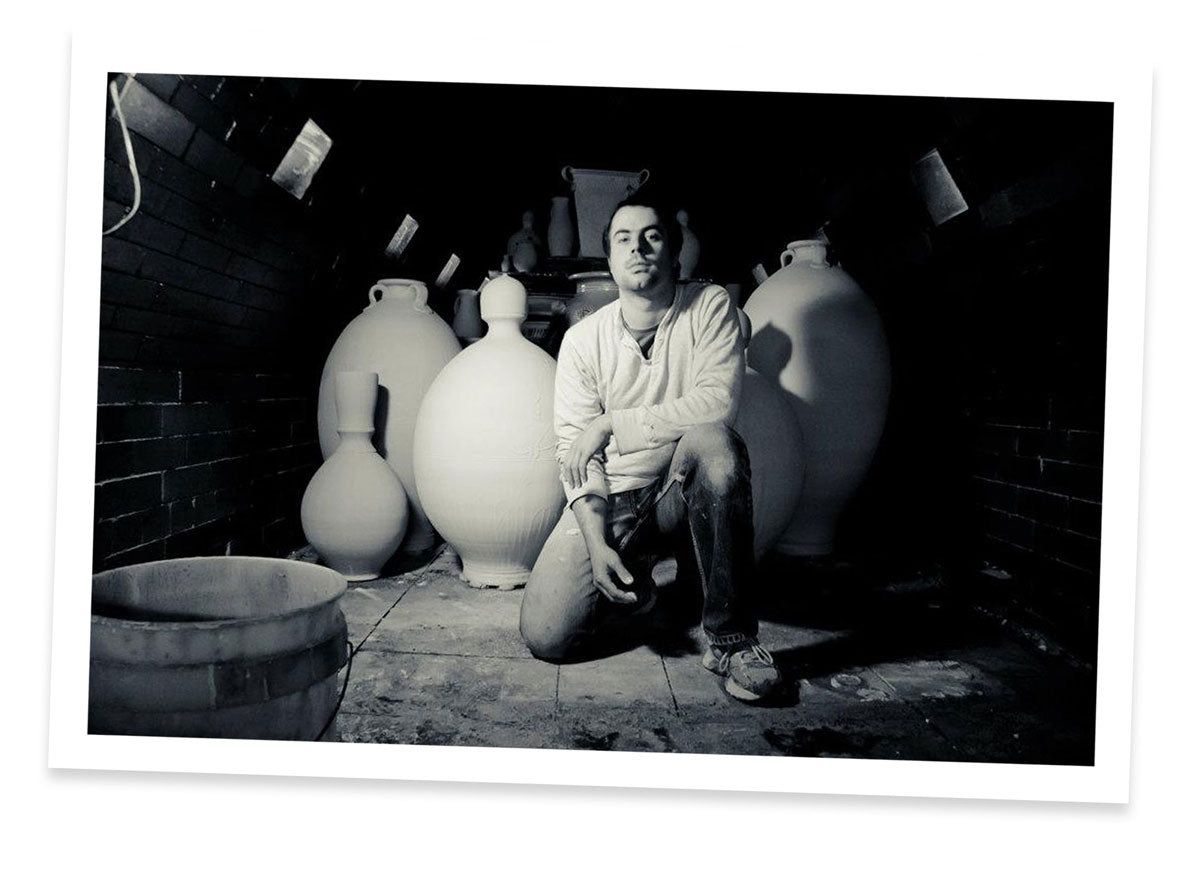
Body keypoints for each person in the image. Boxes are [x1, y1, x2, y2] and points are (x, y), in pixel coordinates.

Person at [518, 188, 783, 703]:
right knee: (546, 637)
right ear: (610, 259)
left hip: (682, 486)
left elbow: (716, 404)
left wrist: (613, 423)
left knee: (715, 443)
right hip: (618, 498)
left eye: (651, 236)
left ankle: (732, 641)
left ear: (674, 252)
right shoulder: (582, 339)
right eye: (623, 239)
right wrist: (595, 543)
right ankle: (649, 593)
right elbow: (576, 448)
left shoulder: (709, 307)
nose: (637, 248)